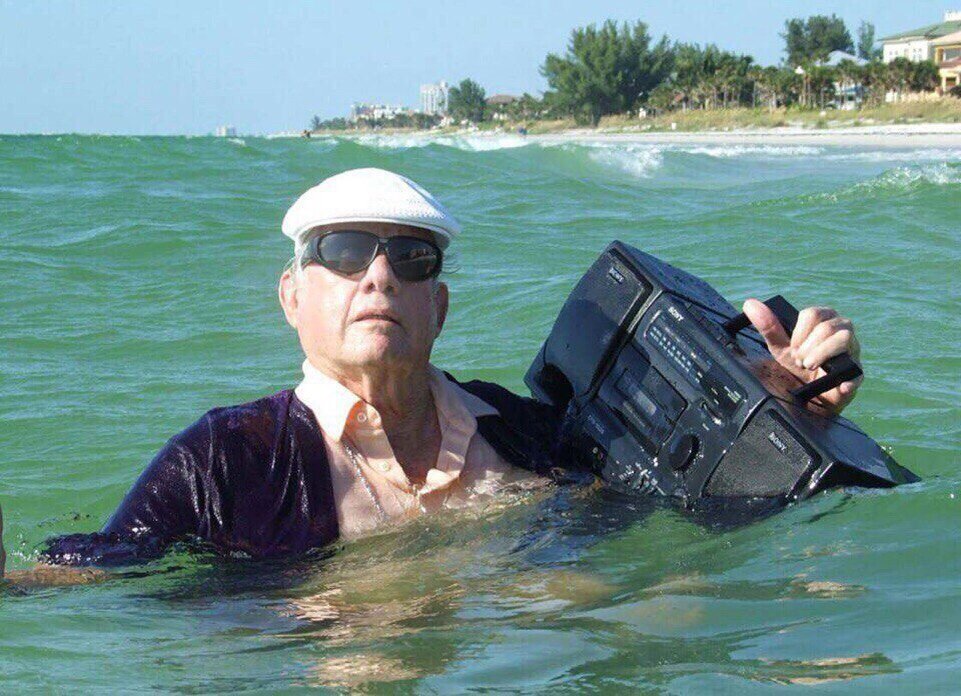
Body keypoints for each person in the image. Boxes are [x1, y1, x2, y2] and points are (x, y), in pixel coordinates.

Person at [0, 167, 862, 581]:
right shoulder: (226, 461)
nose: (378, 276)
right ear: (292, 296)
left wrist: (785, 409)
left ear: (437, 306)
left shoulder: (523, 433)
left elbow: (697, 503)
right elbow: (82, 578)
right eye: (344, 252)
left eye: (409, 259)